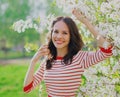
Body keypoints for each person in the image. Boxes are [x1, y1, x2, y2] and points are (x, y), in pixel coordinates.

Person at [23, 8, 113, 97]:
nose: (59, 36)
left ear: (71, 36)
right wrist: (33, 61)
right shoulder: (48, 61)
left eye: (65, 33)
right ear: (51, 33)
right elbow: (27, 88)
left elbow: (107, 51)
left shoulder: (79, 58)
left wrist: (86, 23)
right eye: (56, 31)